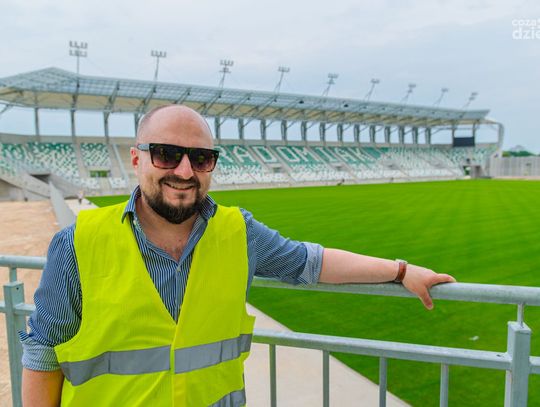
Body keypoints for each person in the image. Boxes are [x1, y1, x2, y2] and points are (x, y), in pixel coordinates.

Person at [21, 105, 455, 406]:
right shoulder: (78, 243)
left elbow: (310, 261)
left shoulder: (238, 231)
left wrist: (400, 270)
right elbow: (43, 354)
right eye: (167, 155)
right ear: (137, 158)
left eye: (201, 158)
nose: (185, 171)